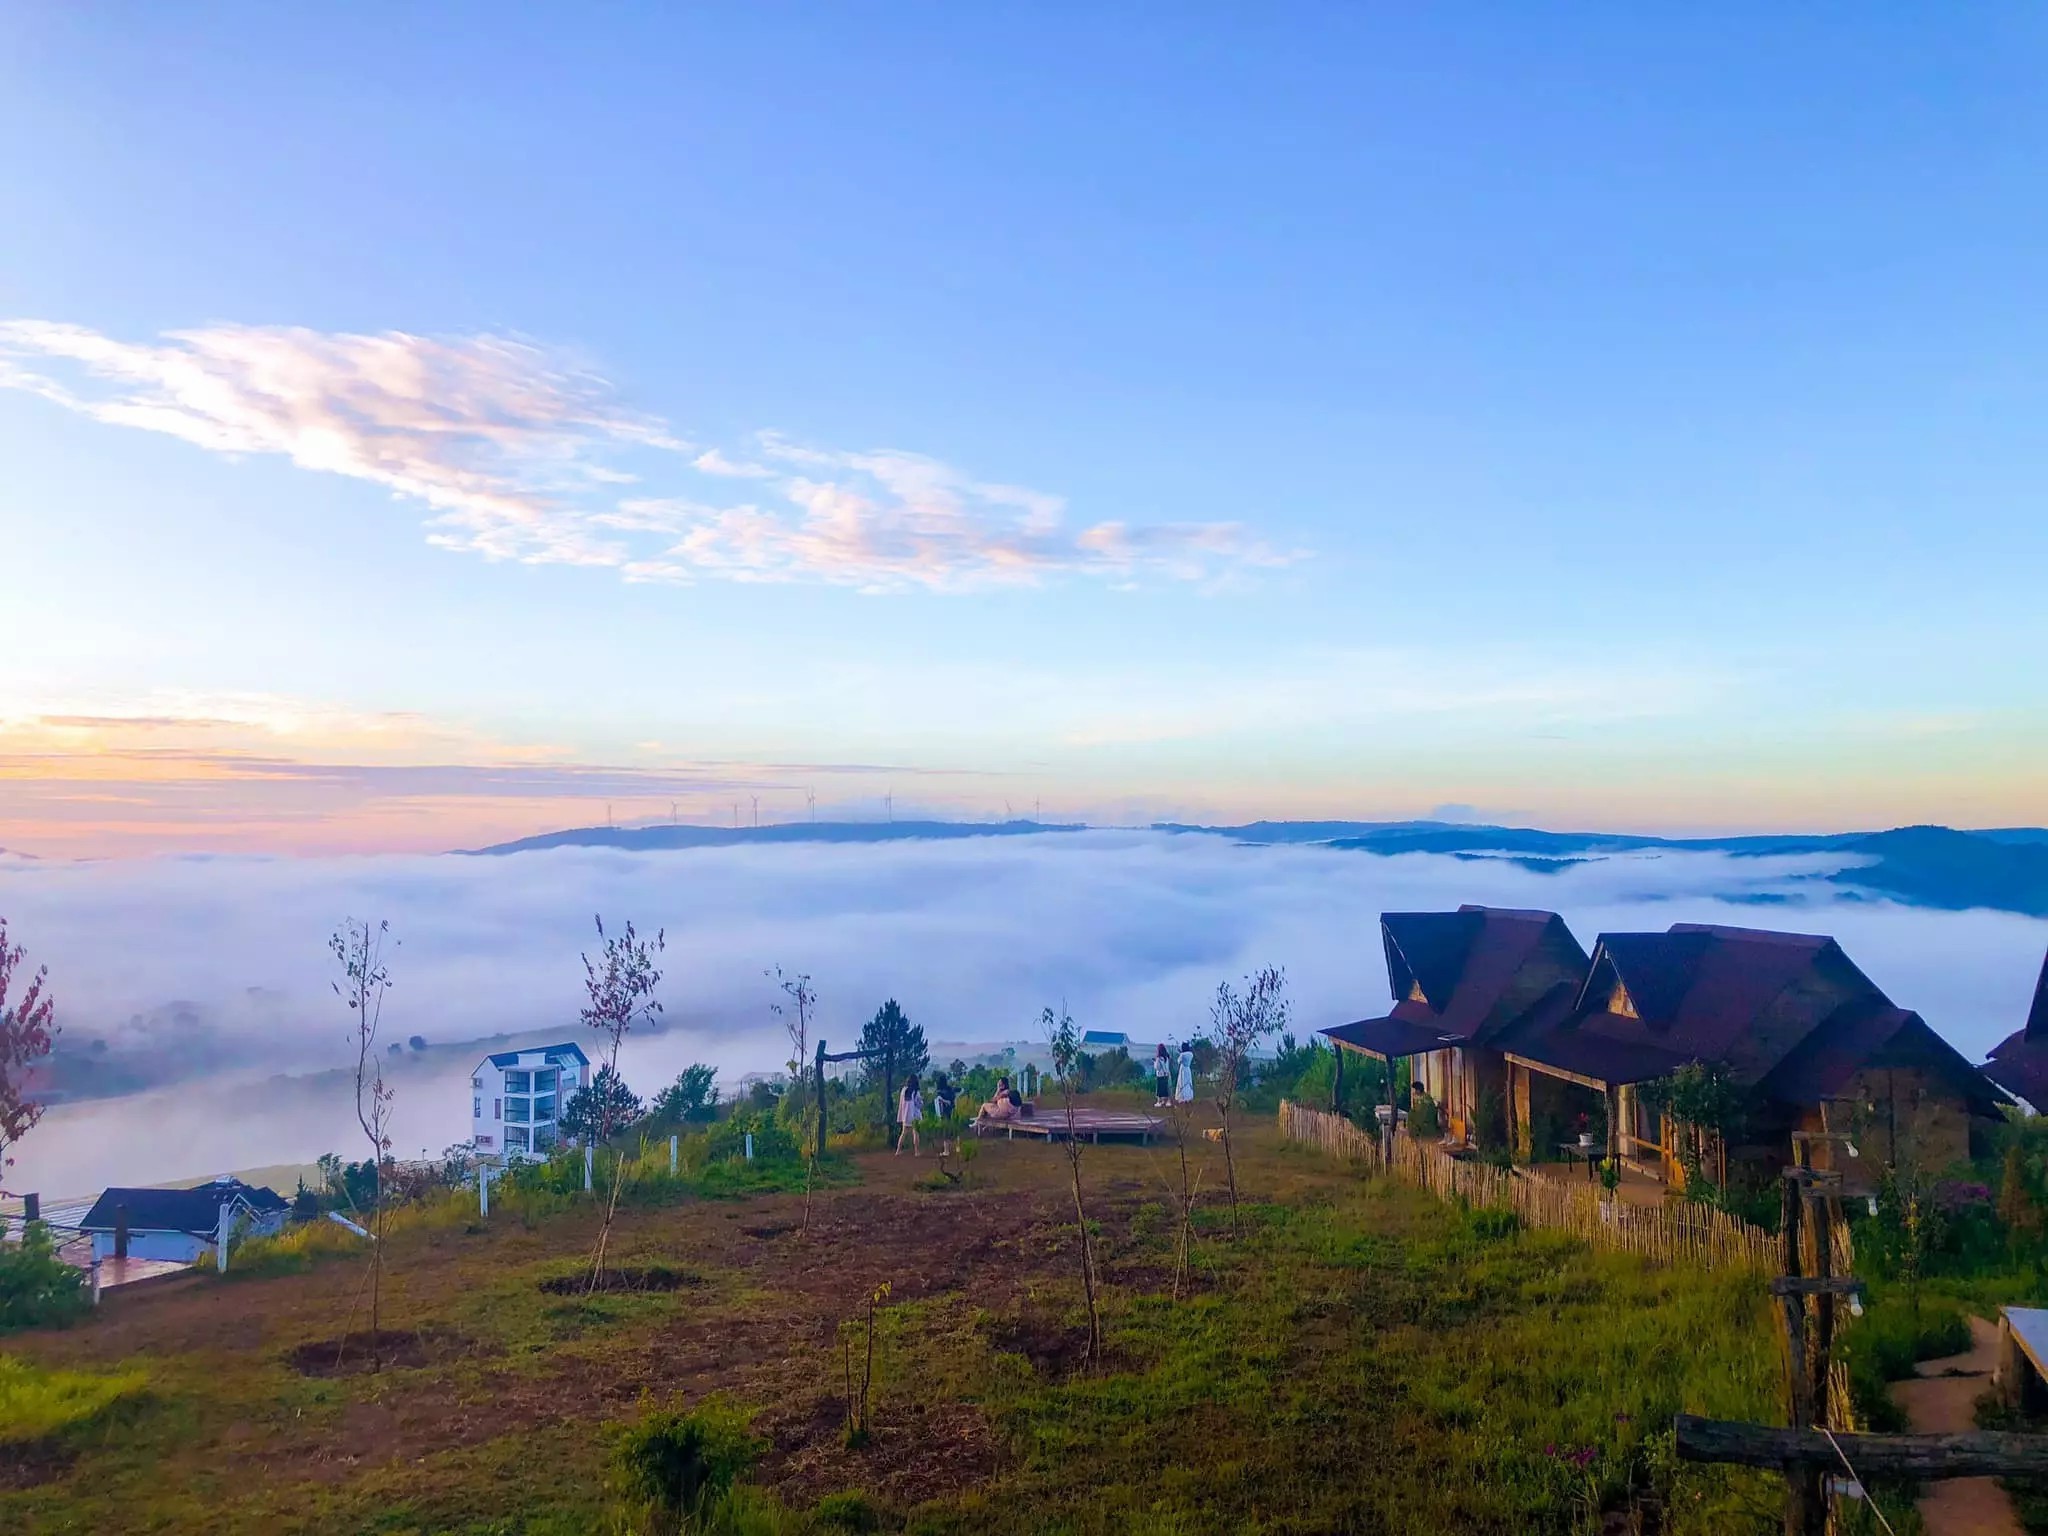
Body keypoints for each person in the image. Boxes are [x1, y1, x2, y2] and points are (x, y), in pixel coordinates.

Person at [896, 1074, 923, 1156]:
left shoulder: (903, 1090)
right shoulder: (916, 1092)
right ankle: (917, 1151)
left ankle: (898, 1150)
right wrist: (922, 1101)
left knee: (903, 1133)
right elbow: (919, 1105)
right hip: (914, 1115)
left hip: (906, 1115)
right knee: (916, 1133)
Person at [1153, 1043, 1172, 1107]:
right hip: (1166, 1074)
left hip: (1160, 1075)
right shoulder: (1166, 1058)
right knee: (1166, 1088)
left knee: (1159, 1089)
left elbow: (1157, 1067)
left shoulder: (1158, 1058)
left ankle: (1159, 1102)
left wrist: (1155, 1062)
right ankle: (1167, 1101)